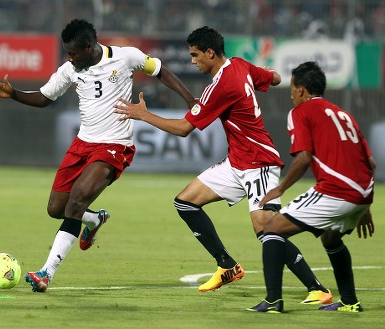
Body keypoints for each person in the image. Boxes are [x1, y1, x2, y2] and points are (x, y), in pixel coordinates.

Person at [114, 26, 331, 304]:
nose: (193, 61)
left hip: (258, 163)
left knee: (267, 230)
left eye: (195, 55)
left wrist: (143, 115)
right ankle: (227, 265)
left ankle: (317, 289)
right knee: (185, 202)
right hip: (237, 162)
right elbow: (275, 78)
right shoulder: (240, 65)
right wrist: (263, 73)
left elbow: (183, 129)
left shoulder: (220, 86)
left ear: (210, 53)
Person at [0, 19, 196, 292]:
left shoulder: (125, 56)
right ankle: (95, 219)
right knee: (56, 209)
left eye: (73, 53)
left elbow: (161, 71)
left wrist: (189, 98)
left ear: (89, 47)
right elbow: (45, 98)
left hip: (114, 145)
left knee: (76, 202)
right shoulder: (69, 69)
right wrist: (14, 94)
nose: (69, 58)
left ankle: (46, 273)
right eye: (66, 53)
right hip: (82, 144)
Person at [247, 61, 375, 313]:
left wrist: (280, 189)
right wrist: (363, 206)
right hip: (361, 193)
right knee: (331, 237)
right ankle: (350, 302)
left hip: (336, 191)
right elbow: (369, 162)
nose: (291, 93)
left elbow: (304, 157)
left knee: (271, 230)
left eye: (293, 87)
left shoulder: (301, 112)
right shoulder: (343, 114)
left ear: (302, 89)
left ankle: (273, 300)